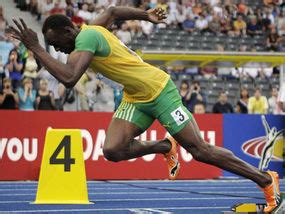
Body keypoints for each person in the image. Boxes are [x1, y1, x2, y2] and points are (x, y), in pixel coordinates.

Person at [10, 7, 281, 212]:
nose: (56, 48)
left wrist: (35, 47)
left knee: (200, 151)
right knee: (112, 150)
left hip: (160, 90)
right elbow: (114, 12)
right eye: (51, 46)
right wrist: (146, 15)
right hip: (136, 97)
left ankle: (266, 180)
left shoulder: (87, 39)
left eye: (56, 42)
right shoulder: (91, 30)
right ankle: (165, 146)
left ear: (69, 31)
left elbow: (69, 79)